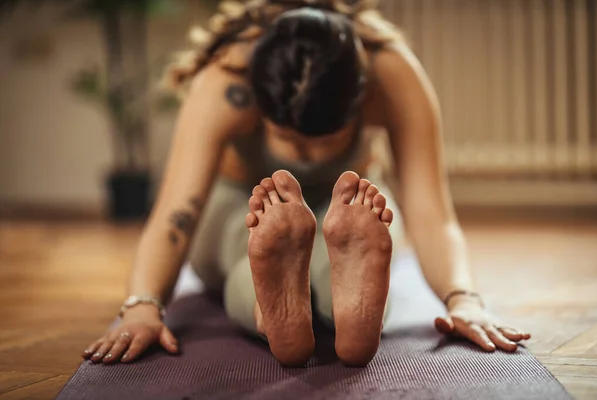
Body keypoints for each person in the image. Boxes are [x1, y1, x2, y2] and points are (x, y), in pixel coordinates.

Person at [82, 0, 530, 368]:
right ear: (257, 97)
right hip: (241, 203)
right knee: (250, 245)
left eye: (326, 141)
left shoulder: (390, 74)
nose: (306, 157)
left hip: (351, 203)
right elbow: (175, 212)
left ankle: (348, 315)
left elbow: (431, 212)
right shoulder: (227, 79)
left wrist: (463, 298)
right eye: (287, 139)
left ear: (359, 96)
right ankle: (274, 304)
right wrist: (142, 304)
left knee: (360, 248)